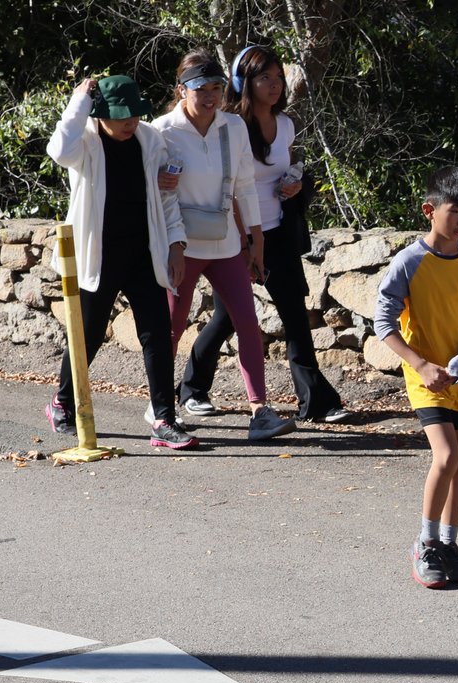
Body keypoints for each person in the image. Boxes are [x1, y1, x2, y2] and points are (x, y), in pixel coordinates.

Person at [176, 43, 348, 427]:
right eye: (264, 77)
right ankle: (191, 388)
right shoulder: (230, 126)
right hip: (236, 238)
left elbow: (282, 173)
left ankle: (316, 401)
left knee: (294, 316)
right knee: (228, 319)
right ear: (244, 82)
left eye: (279, 77)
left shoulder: (285, 124)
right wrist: (246, 239)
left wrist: (296, 184)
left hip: (278, 234)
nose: (274, 85)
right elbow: (233, 186)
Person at [40, 73, 197, 451]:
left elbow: (165, 197)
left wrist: (176, 243)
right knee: (88, 335)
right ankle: (62, 401)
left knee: (157, 334)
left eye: (136, 114)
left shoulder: (149, 140)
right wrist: (78, 101)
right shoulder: (86, 144)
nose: (132, 122)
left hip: (144, 251)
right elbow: (57, 150)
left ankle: (164, 419)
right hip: (98, 252)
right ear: (100, 114)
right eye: (123, 116)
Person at [152, 48, 291, 443]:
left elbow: (244, 186)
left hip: (226, 240)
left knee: (248, 323)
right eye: (201, 89)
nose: (211, 96)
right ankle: (162, 405)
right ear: (182, 90)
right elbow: (159, 196)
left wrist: (256, 239)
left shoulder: (232, 126)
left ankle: (259, 411)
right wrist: (174, 245)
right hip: (181, 242)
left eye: (217, 87)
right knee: (171, 328)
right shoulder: (161, 131)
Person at [374, 165, 458, 590]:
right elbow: (383, 323)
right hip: (425, 379)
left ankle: (448, 545)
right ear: (430, 210)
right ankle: (425, 544)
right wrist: (421, 365)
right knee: (445, 457)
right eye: (455, 211)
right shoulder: (409, 262)